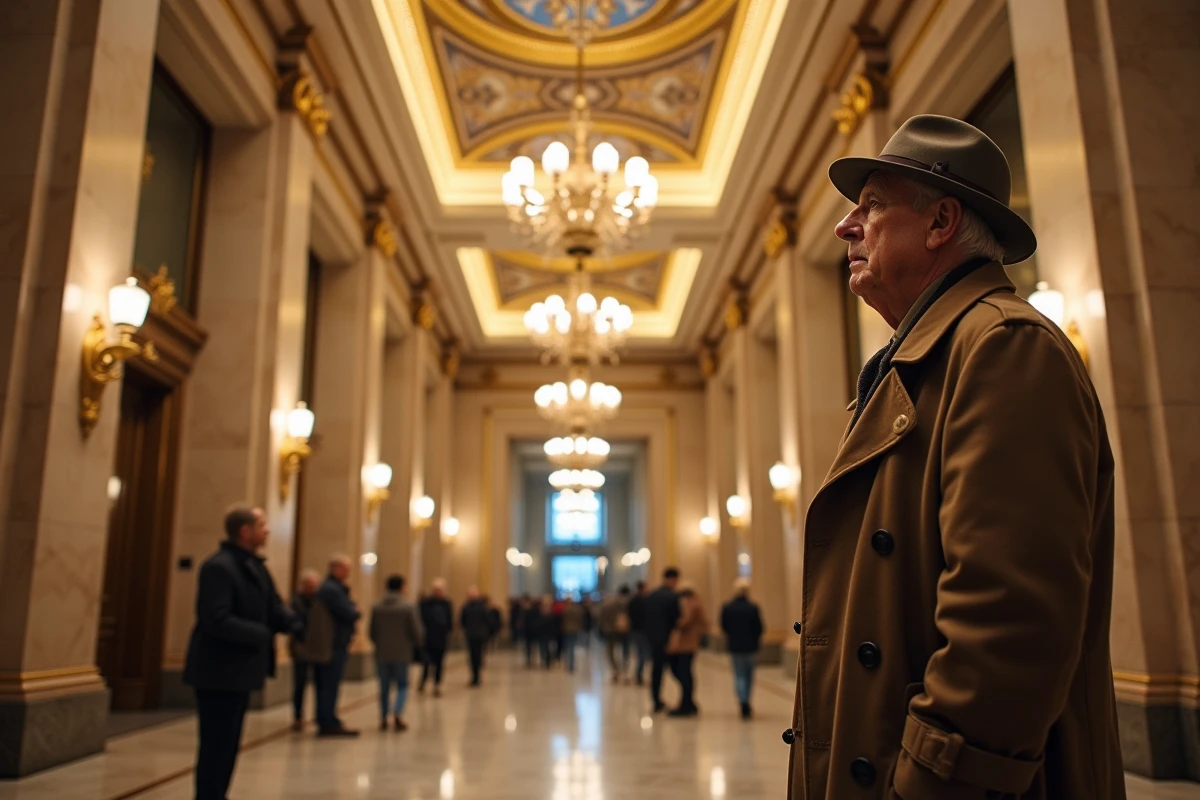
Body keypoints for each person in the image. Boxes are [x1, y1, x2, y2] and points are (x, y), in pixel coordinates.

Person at [787, 114, 1124, 799]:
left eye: (873, 206)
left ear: (941, 222)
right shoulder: (914, 366)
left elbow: (1006, 626)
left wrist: (928, 784)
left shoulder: (1004, 347)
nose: (844, 228)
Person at [183, 505, 296, 800]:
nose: (268, 530)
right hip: (218, 671)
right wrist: (262, 633)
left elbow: (273, 608)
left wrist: (294, 624)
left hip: (239, 672)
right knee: (215, 745)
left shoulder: (255, 567)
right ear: (245, 531)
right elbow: (216, 619)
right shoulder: (219, 567)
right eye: (262, 524)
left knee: (229, 744)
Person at [369, 574, 423, 732]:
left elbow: (372, 632)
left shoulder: (377, 606)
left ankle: (383, 716)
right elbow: (416, 631)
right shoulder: (407, 607)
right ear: (401, 587)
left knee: (384, 686)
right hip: (402, 652)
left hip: (382, 652)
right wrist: (416, 644)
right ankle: (398, 712)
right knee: (402, 684)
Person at [315, 554, 360, 737]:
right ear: (335, 568)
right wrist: (354, 610)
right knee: (328, 684)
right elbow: (348, 613)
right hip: (332, 644)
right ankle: (327, 721)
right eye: (345, 568)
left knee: (330, 684)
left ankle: (329, 717)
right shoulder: (331, 589)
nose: (348, 572)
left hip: (337, 643)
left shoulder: (335, 588)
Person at [288, 568, 332, 731]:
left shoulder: (321, 601)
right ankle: (298, 715)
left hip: (318, 646)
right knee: (299, 684)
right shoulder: (296, 602)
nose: (312, 588)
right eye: (309, 585)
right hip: (301, 647)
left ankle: (319, 714)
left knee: (320, 683)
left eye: (314, 585)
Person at [720, 578, 763, 719]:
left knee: (739, 674)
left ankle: (742, 700)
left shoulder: (727, 607)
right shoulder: (753, 608)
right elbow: (759, 627)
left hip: (735, 645)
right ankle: (747, 700)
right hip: (750, 646)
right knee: (749, 675)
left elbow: (724, 626)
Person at [642, 567, 681, 713]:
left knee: (656, 671)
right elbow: (676, 620)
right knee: (677, 670)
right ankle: (686, 699)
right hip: (667, 639)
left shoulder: (651, 596)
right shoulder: (672, 597)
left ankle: (656, 700)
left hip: (653, 639)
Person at [666, 582, 707, 717]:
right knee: (682, 672)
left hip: (686, 645)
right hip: (685, 644)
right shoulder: (694, 603)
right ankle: (688, 701)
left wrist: (672, 621)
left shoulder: (691, 604)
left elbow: (684, 622)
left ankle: (686, 703)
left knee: (683, 672)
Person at [418, 579, 453, 696]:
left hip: (441, 638)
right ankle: (423, 681)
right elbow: (421, 619)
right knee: (426, 662)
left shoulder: (446, 604)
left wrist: (448, 631)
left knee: (439, 663)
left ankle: (437, 684)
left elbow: (449, 620)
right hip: (428, 638)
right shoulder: (426, 603)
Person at [598, 585, 632, 683]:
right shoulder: (628, 604)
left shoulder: (609, 604)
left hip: (611, 631)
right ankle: (624, 670)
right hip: (624, 631)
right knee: (624, 651)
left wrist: (605, 627)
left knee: (611, 651)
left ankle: (616, 670)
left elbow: (602, 618)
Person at [460, 586, 492, 686]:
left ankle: (477, 676)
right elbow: (462, 620)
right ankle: (474, 676)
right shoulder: (466, 607)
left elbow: (487, 620)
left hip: (479, 635)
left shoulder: (482, 607)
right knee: (471, 656)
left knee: (478, 656)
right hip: (470, 635)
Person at [627, 581, 649, 685]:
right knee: (642, 655)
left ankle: (634, 675)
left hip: (634, 630)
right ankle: (638, 675)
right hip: (642, 631)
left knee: (637, 653)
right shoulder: (644, 601)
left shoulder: (632, 601)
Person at [560, 595, 585, 673]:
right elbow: (580, 619)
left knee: (568, 647)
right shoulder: (577, 609)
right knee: (572, 647)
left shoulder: (565, 609)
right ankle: (571, 664)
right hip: (575, 629)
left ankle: (569, 664)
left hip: (567, 630)